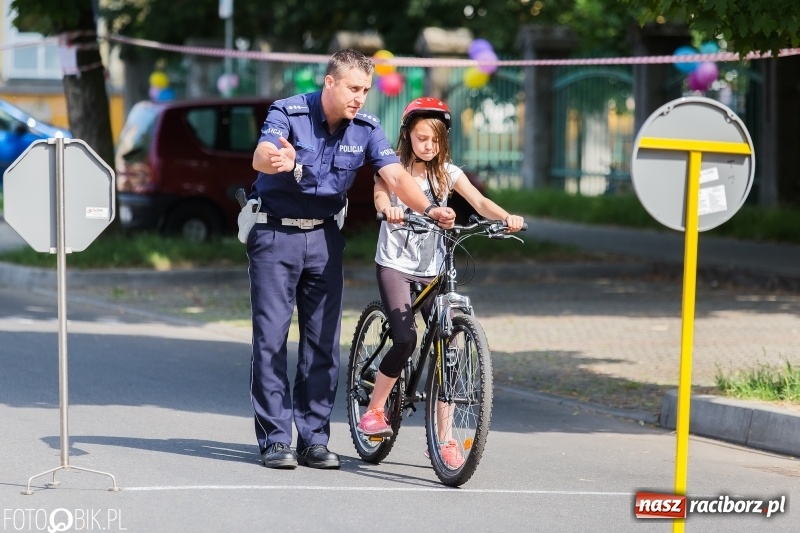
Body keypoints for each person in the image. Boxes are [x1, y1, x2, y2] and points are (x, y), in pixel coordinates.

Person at [247, 50, 455, 470]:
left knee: (323, 343)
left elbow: (395, 176)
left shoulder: (367, 127)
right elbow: (261, 154)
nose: (360, 97)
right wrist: (278, 159)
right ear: (330, 82)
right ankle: (275, 439)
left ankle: (313, 440)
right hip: (275, 234)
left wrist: (430, 209)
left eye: (365, 90)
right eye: (353, 88)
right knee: (270, 341)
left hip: (325, 237)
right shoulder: (288, 112)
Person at [357, 97, 524, 468]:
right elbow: (381, 194)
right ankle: (375, 409)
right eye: (422, 138)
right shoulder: (393, 167)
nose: (429, 146)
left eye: (435, 140)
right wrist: (388, 209)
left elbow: (479, 201)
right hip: (396, 264)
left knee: (450, 349)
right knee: (405, 338)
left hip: (433, 267)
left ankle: (445, 439)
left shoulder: (447, 173)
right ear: (407, 136)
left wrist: (507, 217)